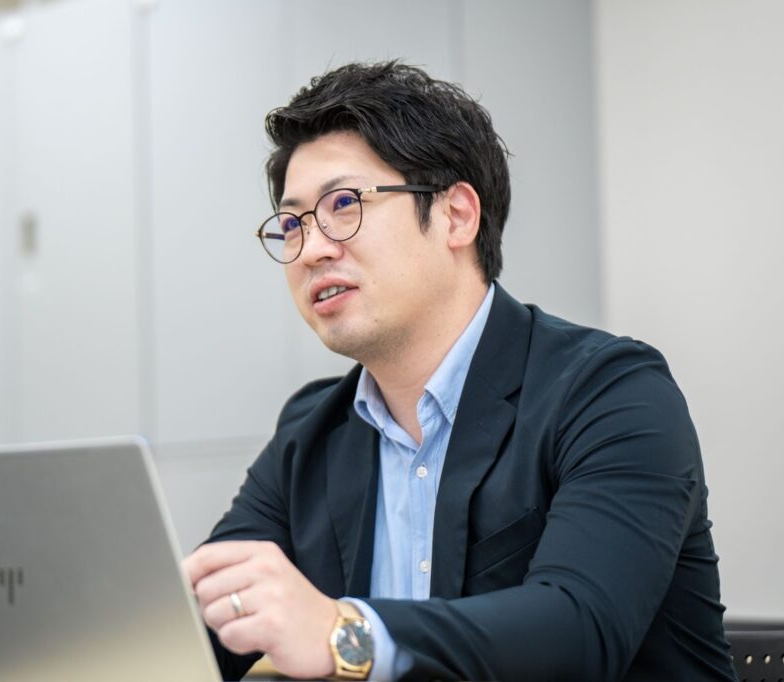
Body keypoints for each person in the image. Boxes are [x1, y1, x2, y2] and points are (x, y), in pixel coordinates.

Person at [182, 61, 736, 681]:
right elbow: (196, 633)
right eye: (291, 225)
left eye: (344, 204)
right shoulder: (311, 430)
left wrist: (343, 632)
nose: (310, 249)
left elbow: (579, 629)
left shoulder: (611, 393)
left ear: (456, 216)